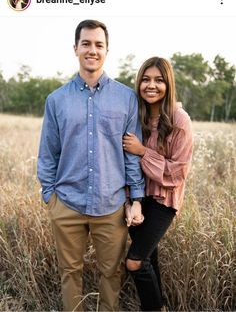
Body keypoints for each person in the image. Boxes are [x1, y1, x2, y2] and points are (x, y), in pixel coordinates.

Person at [37, 19, 145, 312]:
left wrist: (135, 198)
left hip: (111, 206)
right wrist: (50, 196)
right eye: (86, 43)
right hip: (67, 204)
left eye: (99, 44)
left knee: (111, 274)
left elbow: (131, 156)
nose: (92, 50)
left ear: (107, 51)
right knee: (70, 273)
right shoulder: (56, 100)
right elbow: (48, 153)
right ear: (75, 48)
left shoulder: (126, 99)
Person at [123, 56, 193, 311]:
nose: (151, 85)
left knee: (135, 262)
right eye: (146, 79)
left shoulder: (179, 119)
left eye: (159, 80)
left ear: (168, 84)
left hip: (164, 201)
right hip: (137, 198)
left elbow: (178, 173)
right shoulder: (135, 116)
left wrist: (143, 151)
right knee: (148, 259)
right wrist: (131, 201)